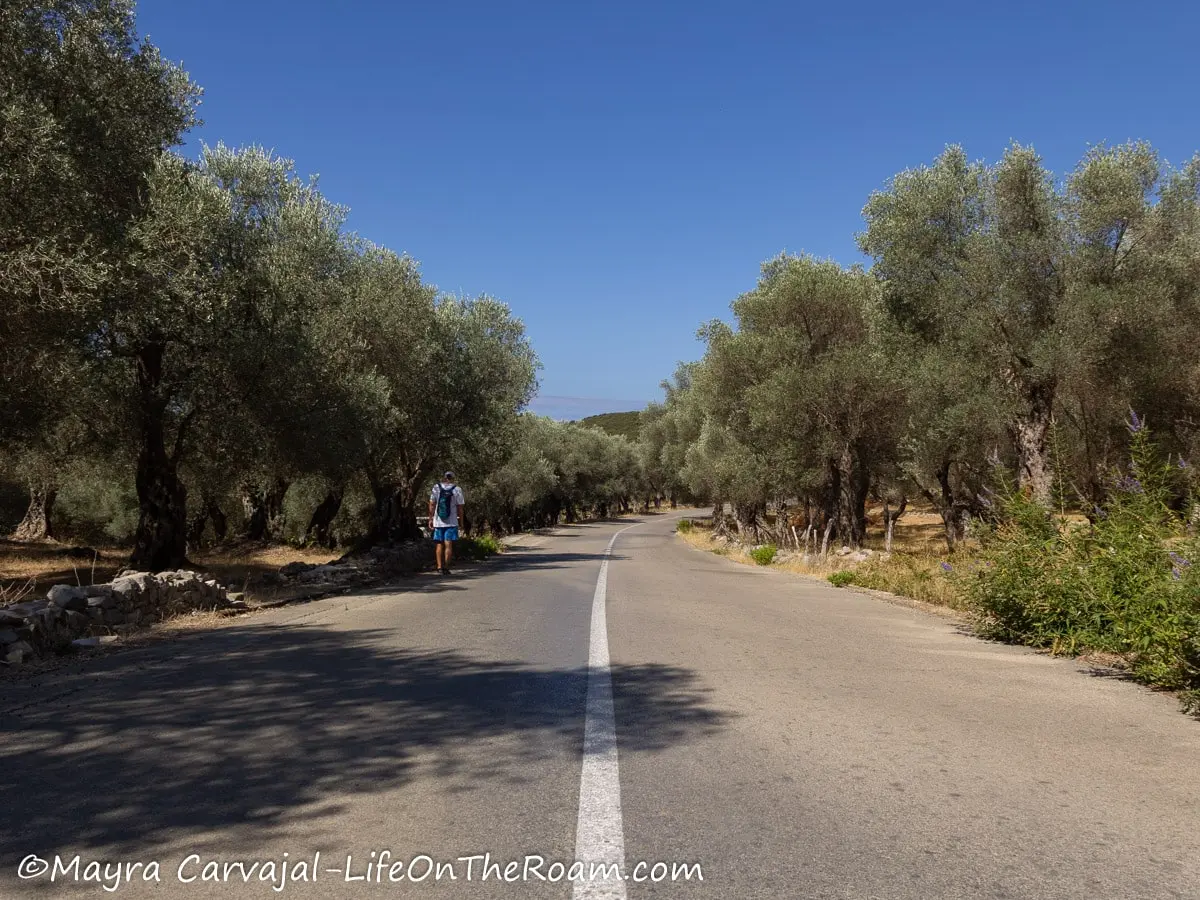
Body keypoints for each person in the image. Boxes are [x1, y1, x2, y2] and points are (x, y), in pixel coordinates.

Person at [428, 471, 465, 575]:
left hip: (438, 522)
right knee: (448, 544)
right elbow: (460, 508)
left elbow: (431, 504)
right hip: (451, 522)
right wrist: (461, 522)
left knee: (439, 544)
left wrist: (430, 519)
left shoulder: (436, 487)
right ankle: (446, 567)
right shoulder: (457, 489)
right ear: (453, 478)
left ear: (444, 477)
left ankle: (439, 567)